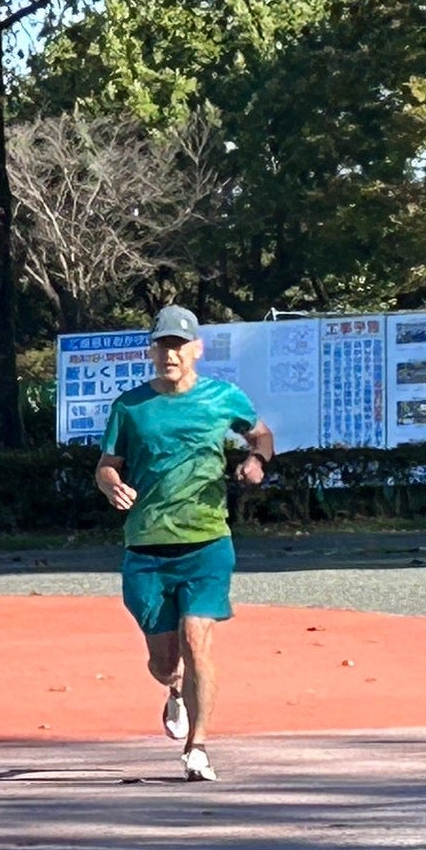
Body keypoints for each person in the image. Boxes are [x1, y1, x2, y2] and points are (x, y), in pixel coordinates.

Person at [94, 305, 273, 783]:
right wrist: (111, 484)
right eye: (163, 346)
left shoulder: (223, 397)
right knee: (164, 662)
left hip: (207, 542)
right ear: (152, 351)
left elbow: (261, 435)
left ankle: (198, 747)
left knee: (198, 640)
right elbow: (107, 465)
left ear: (197, 349)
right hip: (147, 548)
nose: (170, 354)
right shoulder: (130, 407)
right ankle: (174, 689)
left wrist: (256, 460)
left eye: (179, 345)